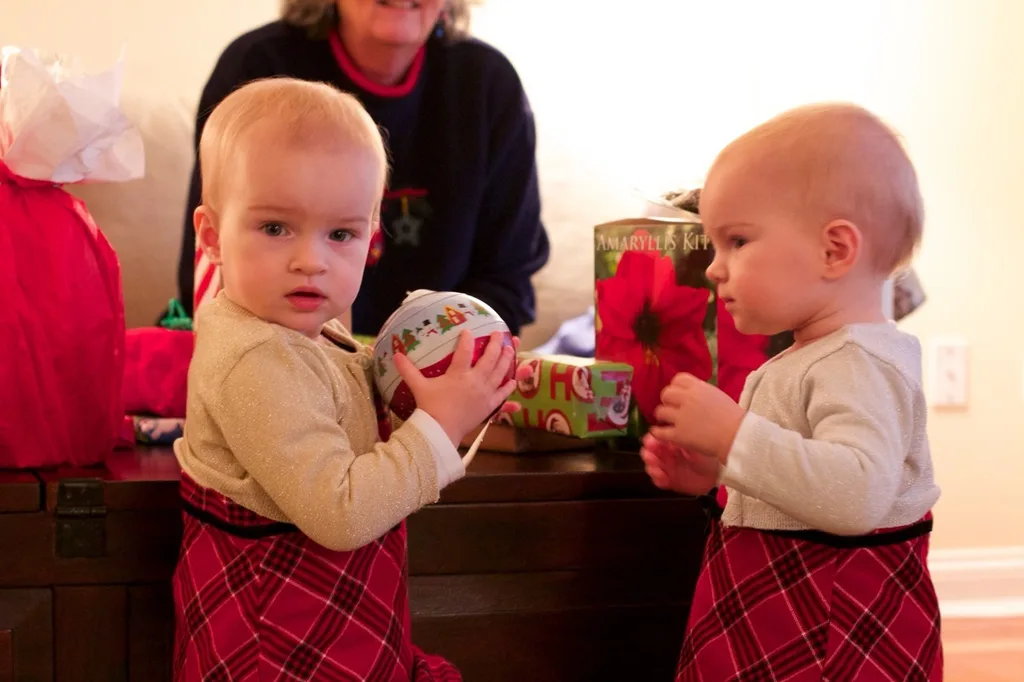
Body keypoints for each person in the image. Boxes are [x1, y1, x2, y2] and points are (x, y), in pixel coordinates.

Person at [172, 76, 525, 681]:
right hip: (280, 645)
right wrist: (440, 426)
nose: (312, 259)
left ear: (371, 237)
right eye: (276, 228)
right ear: (211, 238)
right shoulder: (256, 359)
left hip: (331, 627)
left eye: (341, 234)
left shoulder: (308, 332)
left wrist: (454, 401)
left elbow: (348, 405)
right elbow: (342, 513)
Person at [640, 103, 943, 681]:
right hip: (773, 593)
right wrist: (716, 472)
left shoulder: (860, 363)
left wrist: (733, 436)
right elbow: (801, 481)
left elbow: (855, 496)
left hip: (830, 621)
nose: (714, 269)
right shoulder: (812, 355)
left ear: (835, 250)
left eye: (737, 241)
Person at [180, 0, 550, 338]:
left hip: (435, 365)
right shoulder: (258, 66)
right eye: (276, 227)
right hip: (277, 359)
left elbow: (506, 277)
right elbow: (212, 267)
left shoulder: (489, 84)